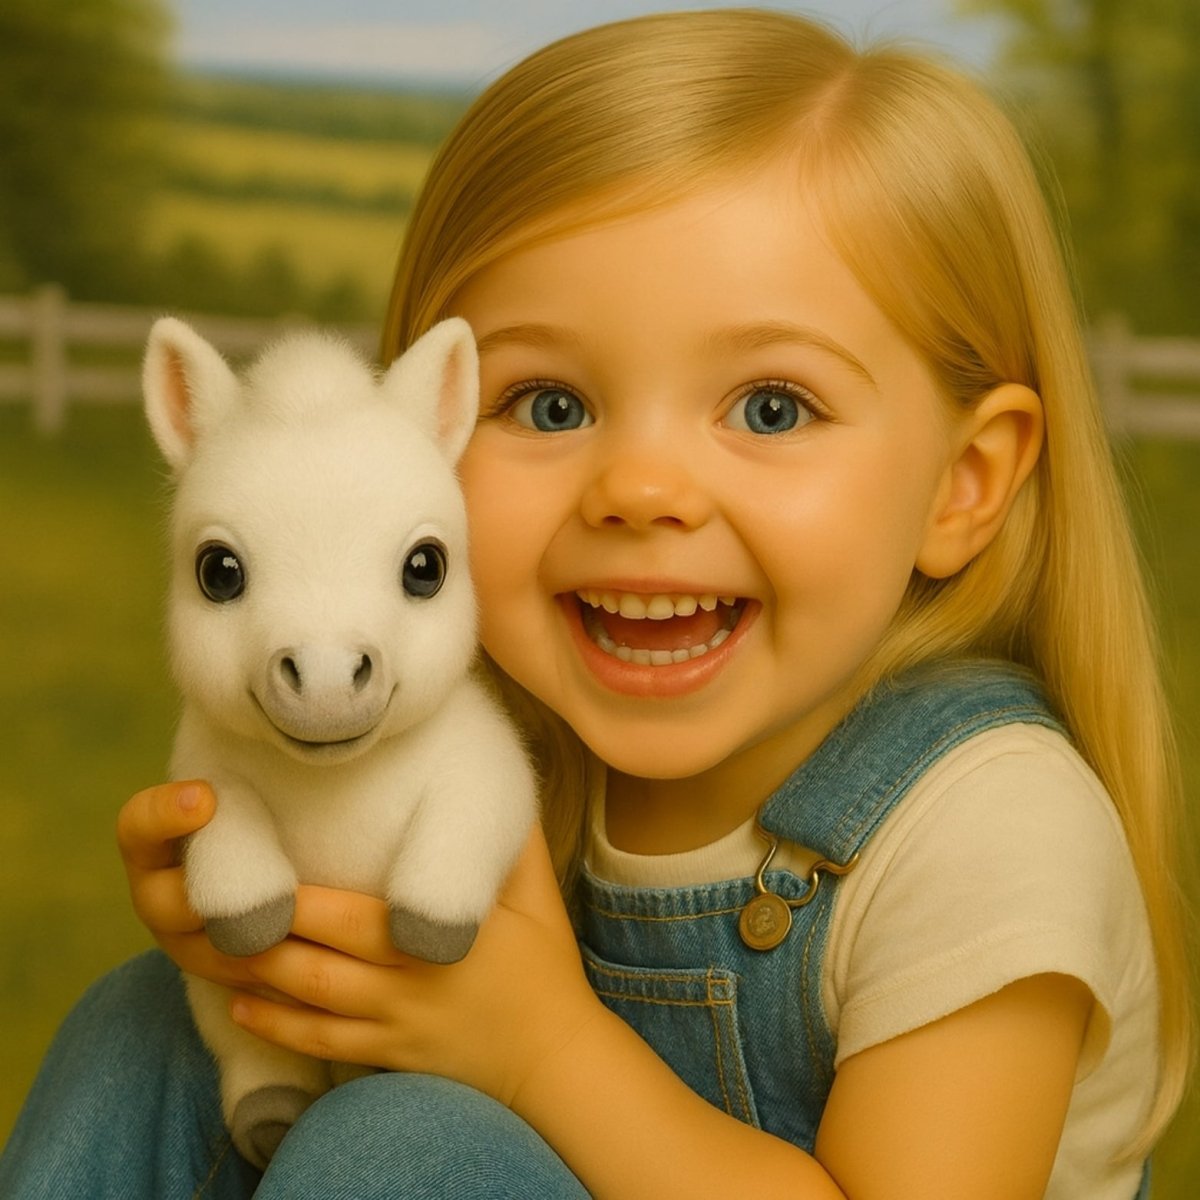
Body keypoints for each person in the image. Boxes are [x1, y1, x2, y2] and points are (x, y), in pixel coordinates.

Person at [1, 9, 1190, 1198]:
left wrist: (540, 1050)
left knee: (399, 1149)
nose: (639, 490)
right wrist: (269, 925)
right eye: (551, 406)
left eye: (771, 408)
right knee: (146, 1033)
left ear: (962, 484)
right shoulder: (503, 738)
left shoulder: (987, 829)